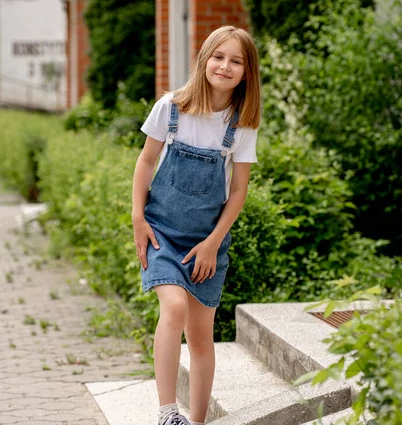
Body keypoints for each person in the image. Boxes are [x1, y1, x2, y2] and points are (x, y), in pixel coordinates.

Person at [131, 25, 261, 425]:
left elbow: (237, 192)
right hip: (162, 235)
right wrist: (137, 217)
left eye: (236, 61)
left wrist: (212, 244)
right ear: (204, 59)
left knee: (202, 336)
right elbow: (146, 162)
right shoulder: (171, 107)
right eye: (218, 56)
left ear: (246, 73)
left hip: (207, 243)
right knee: (172, 308)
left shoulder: (241, 125)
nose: (225, 66)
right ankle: (168, 413)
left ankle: (198, 420)